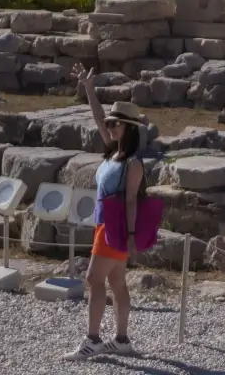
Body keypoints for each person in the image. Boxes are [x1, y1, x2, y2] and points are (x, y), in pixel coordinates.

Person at [63, 63, 145, 360]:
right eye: (111, 124)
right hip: (105, 225)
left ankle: (93, 339)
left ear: (129, 128)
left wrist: (132, 235)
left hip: (116, 228)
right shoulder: (114, 151)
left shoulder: (132, 163)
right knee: (116, 282)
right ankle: (121, 340)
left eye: (116, 124)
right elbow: (97, 116)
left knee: (94, 280)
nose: (110, 127)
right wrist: (88, 88)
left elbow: (132, 200)